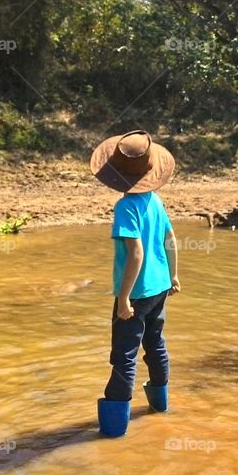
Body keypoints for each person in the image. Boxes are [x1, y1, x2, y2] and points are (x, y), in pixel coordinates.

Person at [90, 130, 181, 437]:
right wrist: (173, 276)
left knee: (124, 356)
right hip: (159, 288)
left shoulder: (125, 208)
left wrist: (124, 299)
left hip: (137, 293)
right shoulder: (155, 200)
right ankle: (159, 406)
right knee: (155, 345)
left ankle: (114, 430)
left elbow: (136, 253)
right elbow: (170, 238)